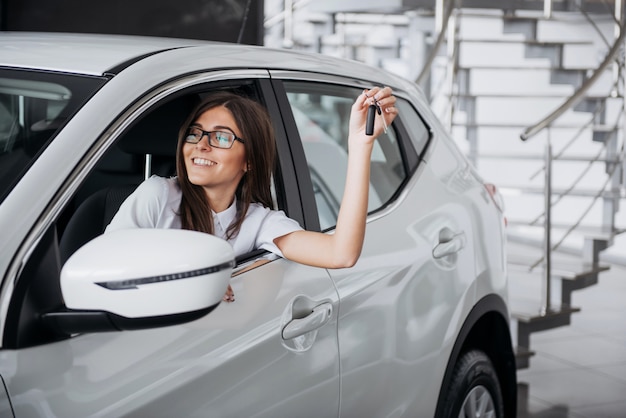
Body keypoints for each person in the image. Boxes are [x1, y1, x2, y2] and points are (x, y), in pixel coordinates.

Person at [106, 87, 397, 301]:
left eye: (221, 137)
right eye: (195, 133)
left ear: (250, 160)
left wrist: (360, 146)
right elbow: (107, 268)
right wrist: (192, 273)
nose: (201, 145)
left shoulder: (257, 221)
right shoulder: (157, 195)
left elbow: (340, 254)